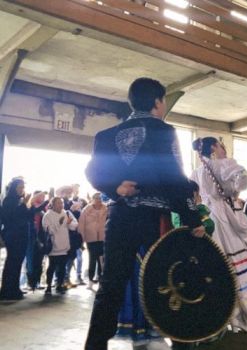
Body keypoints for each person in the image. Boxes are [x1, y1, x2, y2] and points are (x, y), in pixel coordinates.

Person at [84, 77, 205, 350]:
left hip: (119, 218)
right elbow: (173, 178)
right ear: (157, 102)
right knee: (168, 278)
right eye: (163, 101)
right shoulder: (163, 131)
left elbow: (92, 171)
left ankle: (94, 346)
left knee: (111, 284)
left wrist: (114, 188)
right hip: (155, 220)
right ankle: (181, 342)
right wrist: (193, 218)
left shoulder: (106, 135)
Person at [191, 136, 247, 333]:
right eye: (220, 145)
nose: (223, 148)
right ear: (213, 148)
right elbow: (242, 182)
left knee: (216, 264)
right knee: (235, 263)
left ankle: (219, 320)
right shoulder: (223, 164)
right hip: (223, 216)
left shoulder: (196, 172)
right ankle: (241, 320)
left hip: (207, 215)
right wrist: (234, 188)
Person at [0, 177, 31, 300]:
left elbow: (27, 217)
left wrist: (28, 206)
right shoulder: (9, 200)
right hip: (13, 236)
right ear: (14, 188)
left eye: (23, 187)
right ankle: (7, 290)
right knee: (12, 263)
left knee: (18, 263)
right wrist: (23, 205)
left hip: (22, 236)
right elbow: (10, 218)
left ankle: (15, 288)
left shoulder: (20, 200)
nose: (22, 190)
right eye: (20, 187)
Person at [42, 197, 78, 295]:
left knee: (62, 267)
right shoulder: (47, 215)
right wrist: (60, 223)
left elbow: (74, 225)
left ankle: (60, 285)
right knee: (52, 267)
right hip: (53, 246)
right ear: (52, 204)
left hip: (65, 245)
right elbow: (48, 230)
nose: (61, 205)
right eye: (58, 203)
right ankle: (49, 286)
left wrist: (69, 223)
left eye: (62, 203)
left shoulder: (66, 212)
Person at [78, 193, 107, 290]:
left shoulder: (106, 209)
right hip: (91, 238)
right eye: (96, 198)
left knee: (102, 260)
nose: (98, 200)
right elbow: (81, 225)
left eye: (100, 198)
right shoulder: (86, 210)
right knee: (92, 259)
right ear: (92, 199)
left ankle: (100, 280)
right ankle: (90, 280)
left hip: (103, 238)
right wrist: (81, 240)